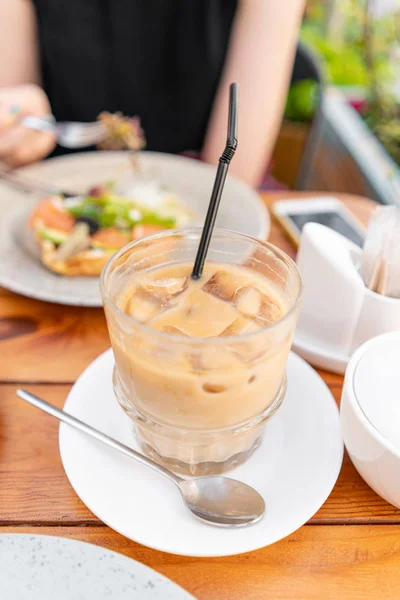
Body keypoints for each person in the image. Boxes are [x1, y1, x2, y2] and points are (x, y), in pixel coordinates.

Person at [0, 0, 305, 187]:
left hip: (196, 199)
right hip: (58, 187)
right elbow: (19, 134)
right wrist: (23, 127)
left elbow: (230, 183)